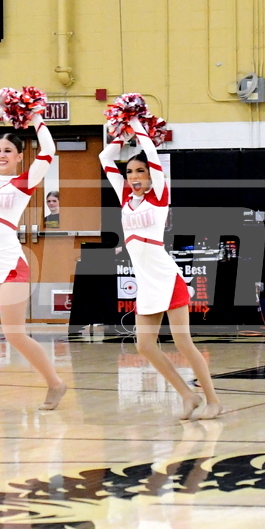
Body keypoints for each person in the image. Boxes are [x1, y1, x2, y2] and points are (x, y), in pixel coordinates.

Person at [99, 110, 222, 421]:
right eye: (130, 172)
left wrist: (135, 122)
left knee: (184, 343)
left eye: (140, 171)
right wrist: (121, 133)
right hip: (146, 282)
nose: (134, 176)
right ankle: (187, 395)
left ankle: (213, 400)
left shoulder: (159, 195)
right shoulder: (125, 196)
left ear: (150, 174)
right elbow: (104, 157)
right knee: (144, 345)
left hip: (166, 277)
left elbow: (152, 155)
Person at [0, 92, 68, 410]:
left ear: (20, 157)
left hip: (11, 267)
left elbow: (48, 150)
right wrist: (0, 109)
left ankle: (56, 384)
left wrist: (34, 115)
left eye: (8, 151)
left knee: (14, 333)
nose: (1, 154)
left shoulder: (24, 182)